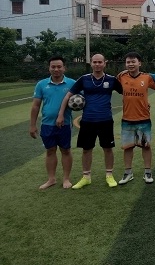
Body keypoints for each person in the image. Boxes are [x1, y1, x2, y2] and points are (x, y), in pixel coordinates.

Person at [56, 53, 123, 189]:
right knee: (86, 149)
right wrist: (60, 114)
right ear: (91, 63)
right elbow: (68, 96)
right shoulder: (84, 79)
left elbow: (126, 92)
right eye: (95, 62)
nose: (97, 64)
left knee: (108, 149)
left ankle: (109, 176)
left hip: (105, 120)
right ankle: (86, 177)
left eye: (100, 62)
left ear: (105, 63)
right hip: (87, 121)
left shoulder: (111, 80)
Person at [30, 56, 76, 190]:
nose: (56, 69)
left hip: (65, 124)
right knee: (50, 151)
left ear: (64, 68)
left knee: (65, 150)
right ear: (49, 68)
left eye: (59, 66)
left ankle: (66, 179)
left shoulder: (72, 83)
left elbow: (81, 100)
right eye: (53, 67)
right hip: (47, 124)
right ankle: (51, 179)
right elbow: (35, 106)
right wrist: (32, 125)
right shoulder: (41, 84)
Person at [116, 52, 155, 185]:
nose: (130, 64)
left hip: (143, 118)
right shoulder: (121, 77)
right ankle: (128, 173)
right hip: (127, 118)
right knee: (128, 147)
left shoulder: (147, 78)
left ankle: (147, 172)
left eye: (133, 61)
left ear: (139, 63)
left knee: (145, 146)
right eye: (128, 62)